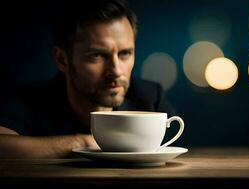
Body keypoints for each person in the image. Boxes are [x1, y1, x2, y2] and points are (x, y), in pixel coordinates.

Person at [0, 0, 175, 158]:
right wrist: (82, 143)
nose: (116, 70)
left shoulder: (150, 98)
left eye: (125, 53)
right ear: (62, 60)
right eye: (98, 55)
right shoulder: (31, 101)